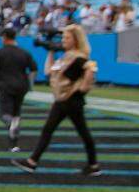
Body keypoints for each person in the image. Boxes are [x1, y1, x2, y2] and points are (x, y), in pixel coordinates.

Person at [12, 25, 101, 176]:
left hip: (71, 100)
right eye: (63, 37)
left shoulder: (78, 57)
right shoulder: (67, 56)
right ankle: (92, 165)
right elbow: (48, 71)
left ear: (76, 40)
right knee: (54, 130)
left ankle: (33, 162)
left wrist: (84, 86)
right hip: (62, 99)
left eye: (67, 38)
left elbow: (90, 68)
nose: (64, 40)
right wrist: (51, 51)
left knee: (78, 132)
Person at [0, 28, 36, 151]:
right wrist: (30, 85)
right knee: (16, 114)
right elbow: (33, 68)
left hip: (5, 85)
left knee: (5, 115)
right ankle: (14, 145)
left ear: (4, 37)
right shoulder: (24, 52)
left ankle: (11, 126)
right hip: (21, 86)